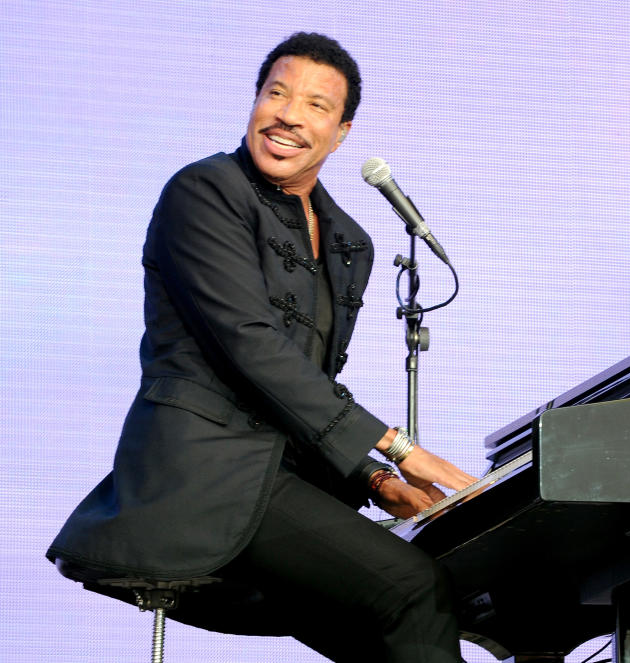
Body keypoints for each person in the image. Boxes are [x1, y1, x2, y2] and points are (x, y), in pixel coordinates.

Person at [47, 32, 475, 663]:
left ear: (342, 131)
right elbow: (251, 347)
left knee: (393, 627)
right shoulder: (204, 193)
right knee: (413, 589)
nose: (289, 115)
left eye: (316, 105)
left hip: (286, 481)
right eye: (276, 93)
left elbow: (306, 385)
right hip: (204, 481)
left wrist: (377, 481)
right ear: (254, 102)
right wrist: (401, 451)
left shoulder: (349, 241)